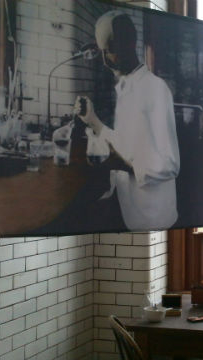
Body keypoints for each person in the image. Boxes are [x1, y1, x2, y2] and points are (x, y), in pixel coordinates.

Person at [74, 11, 180, 231]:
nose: (104, 60)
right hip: (127, 207)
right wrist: (93, 121)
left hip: (152, 218)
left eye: (110, 50)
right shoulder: (125, 87)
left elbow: (170, 163)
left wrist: (123, 164)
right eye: (101, 51)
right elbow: (126, 146)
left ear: (130, 43)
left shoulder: (154, 89)